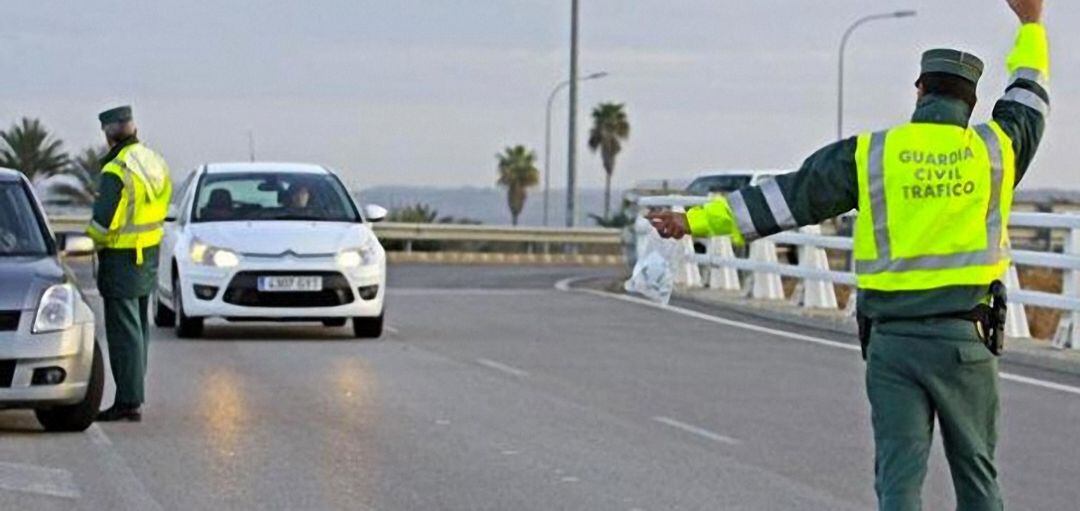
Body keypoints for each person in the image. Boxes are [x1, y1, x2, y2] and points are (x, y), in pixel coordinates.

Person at [648, 1, 1048, 509]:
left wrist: (696, 221)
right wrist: (1031, 24)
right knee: (977, 478)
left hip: (893, 345)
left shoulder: (872, 154)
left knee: (899, 480)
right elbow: (1028, 97)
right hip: (964, 342)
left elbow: (788, 197)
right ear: (971, 104)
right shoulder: (995, 151)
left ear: (920, 91)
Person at [86, 106, 173, 422]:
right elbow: (161, 204)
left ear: (108, 133)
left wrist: (89, 241)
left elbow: (102, 223)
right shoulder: (153, 161)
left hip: (121, 258)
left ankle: (128, 400)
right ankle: (133, 395)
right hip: (147, 254)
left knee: (124, 335)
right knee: (138, 331)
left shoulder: (116, 169)